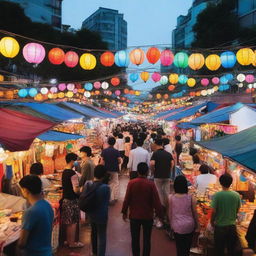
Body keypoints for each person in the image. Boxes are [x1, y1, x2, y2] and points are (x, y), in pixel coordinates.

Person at [122, 163, 163, 256]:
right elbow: (156, 201)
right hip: (147, 216)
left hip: (134, 215)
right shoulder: (151, 184)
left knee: (135, 239)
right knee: (147, 239)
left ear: (137, 172)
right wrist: (160, 215)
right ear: (147, 171)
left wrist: (124, 212)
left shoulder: (131, 183)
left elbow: (127, 198)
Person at [18, 175, 54, 256]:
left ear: (25, 190)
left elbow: (22, 243)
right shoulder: (47, 206)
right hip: (47, 252)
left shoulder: (30, 212)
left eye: (21, 189)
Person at [211, 173, 241, 256]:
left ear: (220, 183)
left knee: (219, 250)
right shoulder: (236, 195)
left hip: (220, 227)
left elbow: (213, 211)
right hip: (232, 227)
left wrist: (211, 222)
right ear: (231, 183)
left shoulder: (217, 195)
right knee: (231, 250)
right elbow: (238, 210)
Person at [168, 175, 199, 256]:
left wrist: (171, 225)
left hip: (177, 226)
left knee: (179, 248)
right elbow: (195, 213)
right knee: (187, 248)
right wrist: (198, 226)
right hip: (189, 226)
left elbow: (169, 213)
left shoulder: (171, 198)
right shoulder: (191, 198)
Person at [85, 165, 110, 256]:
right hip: (102, 215)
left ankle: (94, 252)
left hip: (91, 214)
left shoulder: (88, 184)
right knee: (102, 235)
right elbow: (107, 202)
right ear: (103, 175)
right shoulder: (106, 188)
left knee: (93, 233)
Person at [150, 138, 174, 228]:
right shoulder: (168, 154)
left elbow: (152, 164)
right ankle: (167, 215)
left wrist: (153, 171)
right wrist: (169, 171)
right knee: (166, 194)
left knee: (159, 194)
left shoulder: (155, 154)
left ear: (156, 144)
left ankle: (159, 216)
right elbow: (172, 163)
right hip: (167, 177)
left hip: (158, 177)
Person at [61, 153, 83, 248]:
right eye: (75, 160)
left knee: (68, 222)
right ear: (71, 161)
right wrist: (81, 190)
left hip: (65, 199)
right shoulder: (72, 174)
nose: (77, 162)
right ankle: (72, 243)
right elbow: (76, 189)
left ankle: (68, 241)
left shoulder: (64, 172)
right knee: (73, 222)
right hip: (72, 200)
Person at [100, 137, 122, 204]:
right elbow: (119, 160)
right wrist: (116, 163)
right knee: (115, 183)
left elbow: (102, 161)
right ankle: (114, 198)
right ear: (114, 143)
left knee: (107, 184)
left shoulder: (104, 151)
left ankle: (107, 198)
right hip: (114, 169)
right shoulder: (116, 151)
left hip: (106, 170)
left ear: (108, 142)